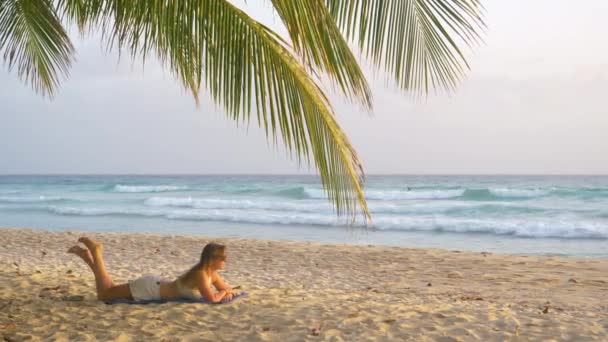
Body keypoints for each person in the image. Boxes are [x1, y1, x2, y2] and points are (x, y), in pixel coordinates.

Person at [68, 237, 236, 302]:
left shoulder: (211, 274)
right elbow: (212, 299)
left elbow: (224, 289)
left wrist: (225, 291)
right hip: (149, 289)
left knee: (110, 288)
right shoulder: (201, 274)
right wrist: (224, 293)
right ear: (212, 259)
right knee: (104, 295)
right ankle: (96, 253)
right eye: (223, 258)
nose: (226, 261)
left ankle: (87, 258)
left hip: (155, 285)